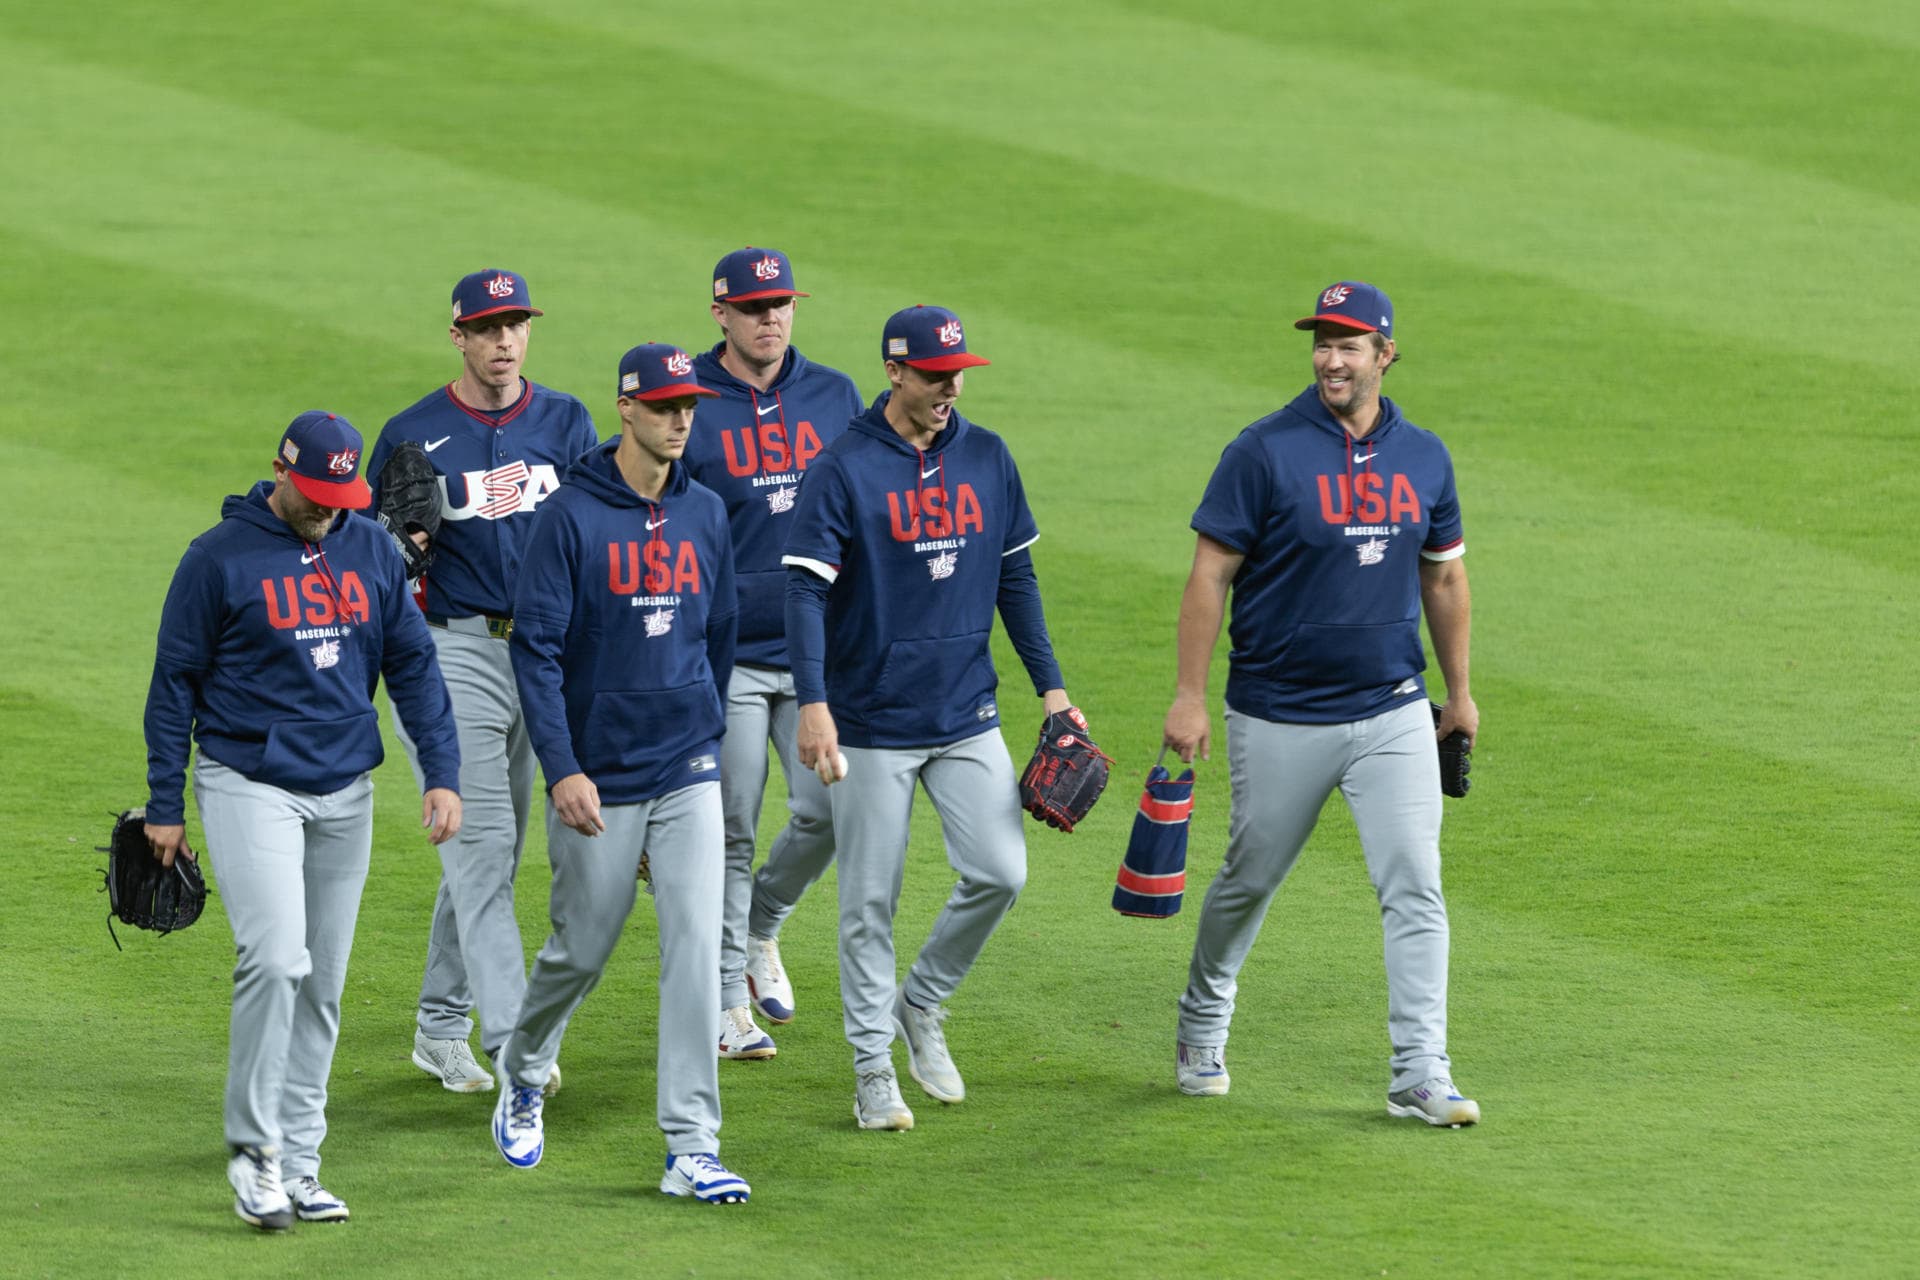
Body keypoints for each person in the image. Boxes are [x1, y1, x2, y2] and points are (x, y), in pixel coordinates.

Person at [1161, 281, 1481, 1127]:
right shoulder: (1263, 452)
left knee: (1415, 882)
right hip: (1278, 711)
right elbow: (1209, 576)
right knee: (1249, 878)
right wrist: (1191, 696)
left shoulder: (1425, 456)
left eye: (1348, 344)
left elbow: (1444, 576)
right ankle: (1202, 1019)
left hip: (1391, 709)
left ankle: (1420, 1069)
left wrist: (1458, 694)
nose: (1330, 359)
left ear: (1386, 354)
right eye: (1321, 343)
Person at [143, 410, 464, 1230]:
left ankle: (301, 1160)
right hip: (249, 782)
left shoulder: (365, 548)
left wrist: (442, 773)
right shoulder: (217, 560)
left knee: (323, 982)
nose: (328, 510)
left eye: (340, 497)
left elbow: (414, 665)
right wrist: (168, 802)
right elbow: (173, 683)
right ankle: (254, 1156)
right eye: (316, 495)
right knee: (277, 959)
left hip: (346, 790)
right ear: (281, 473)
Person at [782, 305, 1082, 1131]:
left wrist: (1051, 689)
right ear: (895, 372)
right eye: (934, 374)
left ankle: (923, 1002)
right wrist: (815, 705)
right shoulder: (842, 468)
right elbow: (804, 589)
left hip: (965, 711)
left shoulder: (987, 457)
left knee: (1002, 871)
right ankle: (872, 1070)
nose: (950, 387)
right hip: (870, 721)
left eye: (959, 373)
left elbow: (1015, 579)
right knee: (868, 902)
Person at [490, 343, 750, 1204]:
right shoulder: (569, 517)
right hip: (597, 774)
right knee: (583, 947)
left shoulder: (707, 512)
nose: (682, 420)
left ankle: (692, 1145)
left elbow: (720, 631)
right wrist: (562, 767)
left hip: (685, 765)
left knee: (694, 944)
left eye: (691, 406)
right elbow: (536, 650)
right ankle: (524, 1069)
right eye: (667, 405)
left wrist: (702, 727)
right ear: (626, 408)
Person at [368, 269, 598, 1095]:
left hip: (547, 656)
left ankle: (438, 1029)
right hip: (450, 654)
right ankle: (517, 1045)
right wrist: (401, 550)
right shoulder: (412, 431)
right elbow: (374, 567)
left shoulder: (568, 421)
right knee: (485, 847)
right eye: (489, 327)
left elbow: (595, 539)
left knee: (488, 859)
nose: (505, 341)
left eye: (517, 325)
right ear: (458, 336)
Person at [684, 247, 863, 1059]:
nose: (771, 318)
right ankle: (726, 1005)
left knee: (830, 810)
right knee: (728, 828)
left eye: (781, 303)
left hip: (816, 652)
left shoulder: (832, 395)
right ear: (720, 313)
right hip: (724, 656)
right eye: (754, 307)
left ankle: (761, 926)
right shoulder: (683, 397)